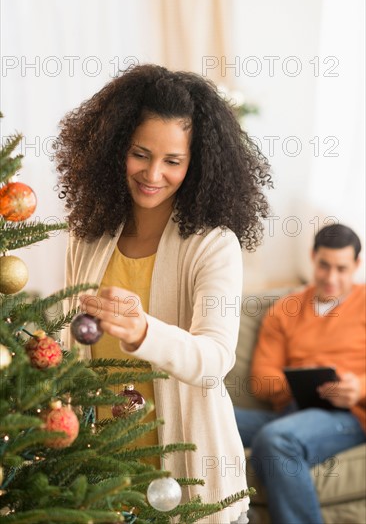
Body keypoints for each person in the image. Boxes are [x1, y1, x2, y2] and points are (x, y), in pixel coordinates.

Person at [56, 63, 272, 523]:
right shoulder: (89, 234)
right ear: (116, 148)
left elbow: (215, 358)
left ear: (197, 164)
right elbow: (72, 338)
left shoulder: (213, 244)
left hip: (189, 476)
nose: (153, 173)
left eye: (173, 161)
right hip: (99, 473)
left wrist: (143, 332)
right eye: (140, 153)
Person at [234, 223, 366, 524]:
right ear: (312, 257)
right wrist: (301, 380)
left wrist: (358, 387)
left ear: (357, 266)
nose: (331, 278)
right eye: (324, 266)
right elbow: (261, 380)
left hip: (346, 416)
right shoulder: (285, 310)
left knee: (277, 439)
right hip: (292, 411)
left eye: (342, 269)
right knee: (209, 411)